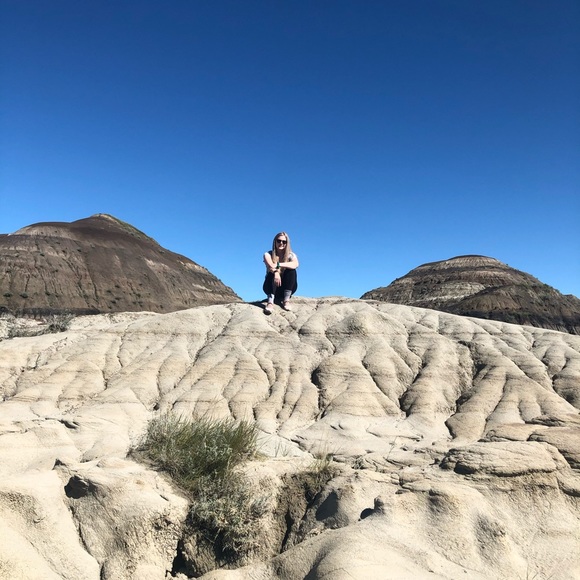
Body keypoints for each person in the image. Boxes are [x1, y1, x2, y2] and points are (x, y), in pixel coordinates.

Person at [263, 231, 299, 314]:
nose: (281, 243)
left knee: (291, 270)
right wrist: (276, 273)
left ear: (287, 243)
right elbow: (271, 266)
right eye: (279, 241)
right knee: (271, 273)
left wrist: (278, 264)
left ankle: (286, 300)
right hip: (271, 286)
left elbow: (295, 264)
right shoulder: (268, 254)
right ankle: (270, 302)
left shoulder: (291, 255)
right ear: (275, 242)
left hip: (286, 287)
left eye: (284, 242)